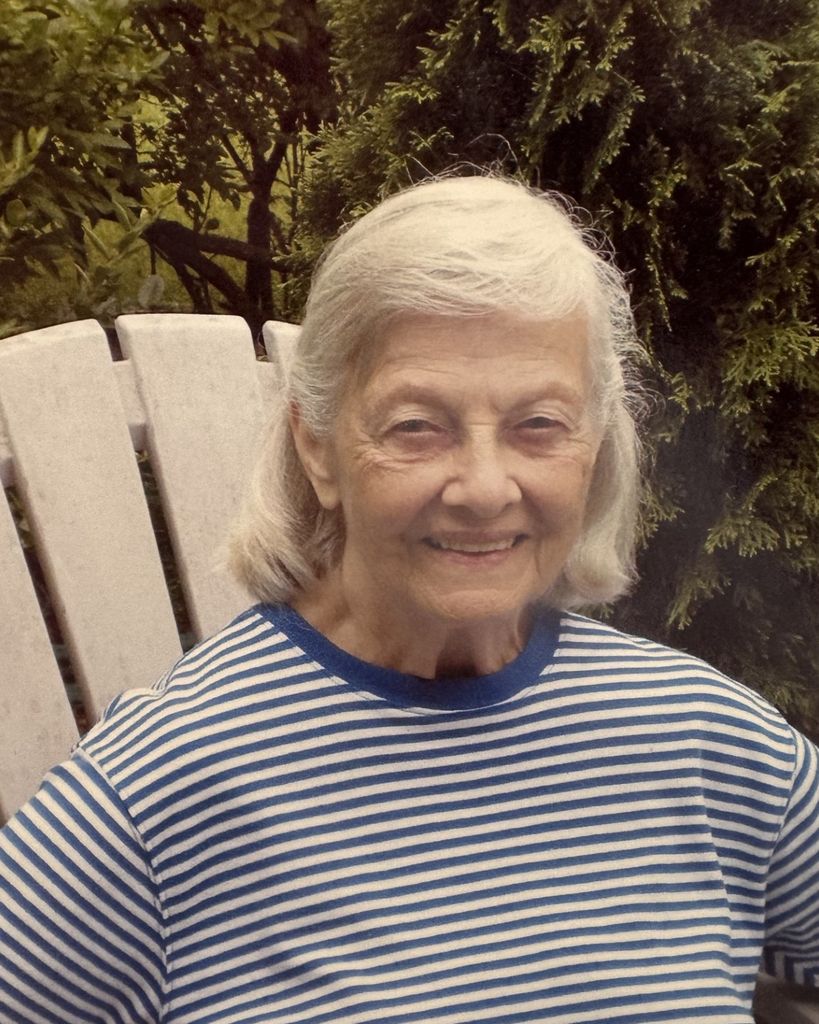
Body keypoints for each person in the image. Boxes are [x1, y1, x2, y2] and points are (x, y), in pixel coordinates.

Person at [1, 174, 817, 1024]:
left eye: (539, 424)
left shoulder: (703, 742)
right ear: (317, 448)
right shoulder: (161, 796)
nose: (484, 488)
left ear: (595, 445)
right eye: (416, 426)